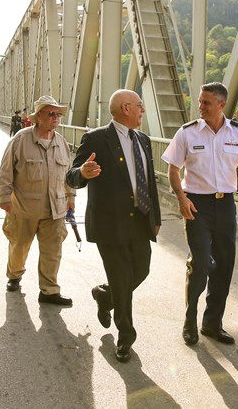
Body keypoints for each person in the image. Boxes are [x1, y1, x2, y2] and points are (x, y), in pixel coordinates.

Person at [162, 81, 238, 347]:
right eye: (200, 101)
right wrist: (181, 198)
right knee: (199, 264)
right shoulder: (187, 133)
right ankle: (190, 320)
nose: (200, 107)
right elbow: (173, 170)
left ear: (221, 105)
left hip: (226, 206)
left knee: (223, 265)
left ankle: (212, 323)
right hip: (196, 205)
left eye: (206, 102)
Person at [66, 89, 161, 363]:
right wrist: (82, 173)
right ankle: (126, 338)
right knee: (121, 279)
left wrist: (154, 217)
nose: (143, 110)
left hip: (140, 220)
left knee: (141, 270)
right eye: (140, 106)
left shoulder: (142, 139)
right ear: (126, 108)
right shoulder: (96, 138)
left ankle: (104, 295)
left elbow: (149, 181)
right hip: (111, 222)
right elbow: (72, 176)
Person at [0, 95, 75, 306]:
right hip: (24, 208)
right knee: (19, 246)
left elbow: (68, 175)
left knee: (53, 252)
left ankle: (49, 291)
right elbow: (5, 172)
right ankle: (14, 275)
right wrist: (4, 198)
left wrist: (71, 198)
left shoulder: (62, 143)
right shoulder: (20, 141)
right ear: (38, 116)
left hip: (56, 208)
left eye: (58, 114)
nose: (55, 118)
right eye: (51, 113)